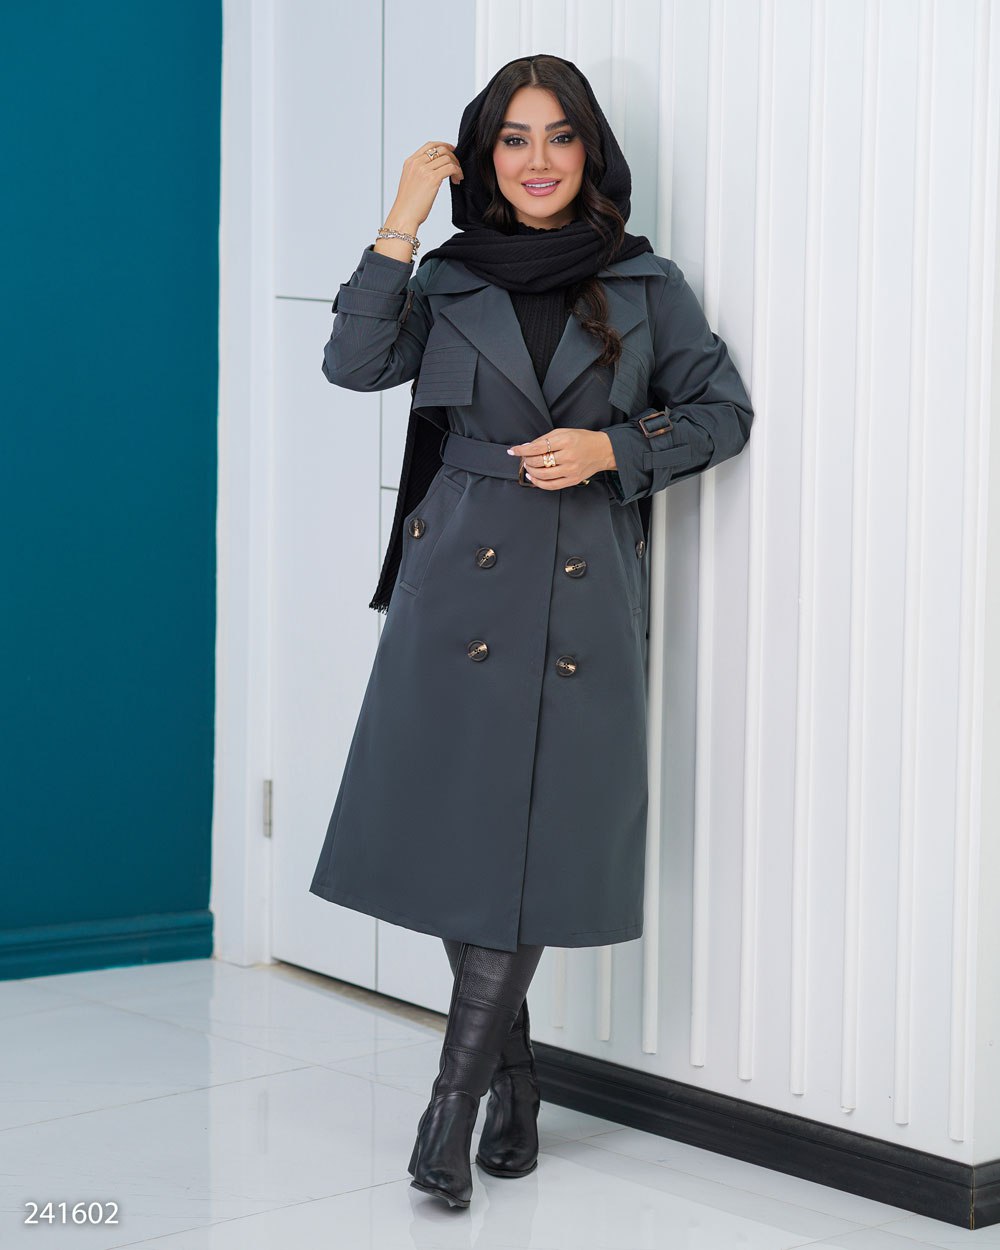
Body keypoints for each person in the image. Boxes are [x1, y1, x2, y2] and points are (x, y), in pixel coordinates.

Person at [309, 53, 754, 1209]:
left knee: (526, 838)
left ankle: (448, 1107)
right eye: (514, 137)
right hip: (452, 581)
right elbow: (352, 363)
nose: (538, 159)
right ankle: (511, 1078)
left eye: (559, 136)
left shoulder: (646, 282)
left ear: (588, 150)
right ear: (485, 154)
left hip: (577, 588)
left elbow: (723, 412)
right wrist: (401, 219)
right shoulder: (447, 275)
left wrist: (612, 448)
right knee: (464, 832)